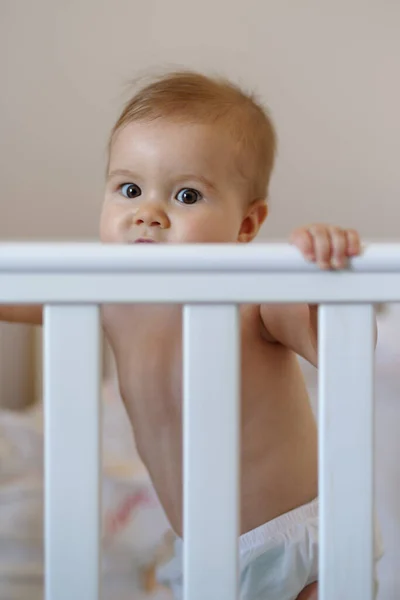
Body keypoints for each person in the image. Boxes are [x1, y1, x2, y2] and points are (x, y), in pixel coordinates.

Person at [0, 70, 382, 599]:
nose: (148, 214)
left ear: (247, 226)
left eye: (185, 194)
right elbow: (12, 287)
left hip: (288, 546)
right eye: (129, 188)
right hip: (201, 550)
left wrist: (322, 272)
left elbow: (345, 346)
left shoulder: (257, 296)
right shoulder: (108, 298)